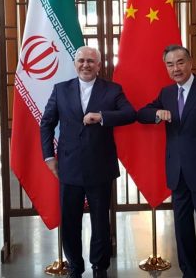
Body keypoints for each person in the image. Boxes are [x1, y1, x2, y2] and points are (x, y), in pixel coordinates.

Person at [40, 46, 136, 278]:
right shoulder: (61, 89)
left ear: (99, 65)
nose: (86, 65)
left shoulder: (112, 90)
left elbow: (130, 114)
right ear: (75, 64)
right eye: (81, 60)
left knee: (101, 222)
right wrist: (49, 157)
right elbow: (46, 123)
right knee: (70, 221)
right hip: (68, 167)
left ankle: (99, 267)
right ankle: (75, 266)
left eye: (91, 61)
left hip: (100, 167)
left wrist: (102, 117)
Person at [137, 44, 196, 278]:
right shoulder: (167, 93)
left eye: (180, 62)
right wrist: (157, 114)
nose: (175, 68)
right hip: (177, 172)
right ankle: (188, 271)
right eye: (170, 64)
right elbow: (143, 113)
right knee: (182, 227)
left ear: (190, 62)